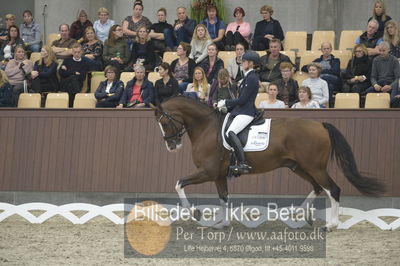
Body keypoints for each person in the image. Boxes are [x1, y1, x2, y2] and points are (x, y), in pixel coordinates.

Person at [216, 51, 260, 174]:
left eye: (244, 61)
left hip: (247, 112)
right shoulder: (247, 77)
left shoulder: (251, 78)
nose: (242, 63)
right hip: (240, 110)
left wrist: (226, 102)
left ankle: (243, 163)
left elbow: (243, 99)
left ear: (250, 63)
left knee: (231, 132)